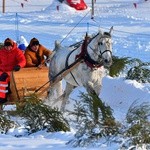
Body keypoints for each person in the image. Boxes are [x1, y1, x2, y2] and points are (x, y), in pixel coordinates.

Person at [0, 38, 26, 104]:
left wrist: (19, 65)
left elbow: (23, 60)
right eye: (6, 46)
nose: (8, 48)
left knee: (3, 78)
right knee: (2, 76)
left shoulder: (17, 51)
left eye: (9, 46)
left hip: (12, 72)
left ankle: (2, 98)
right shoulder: (1, 52)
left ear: (12, 45)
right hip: (2, 70)